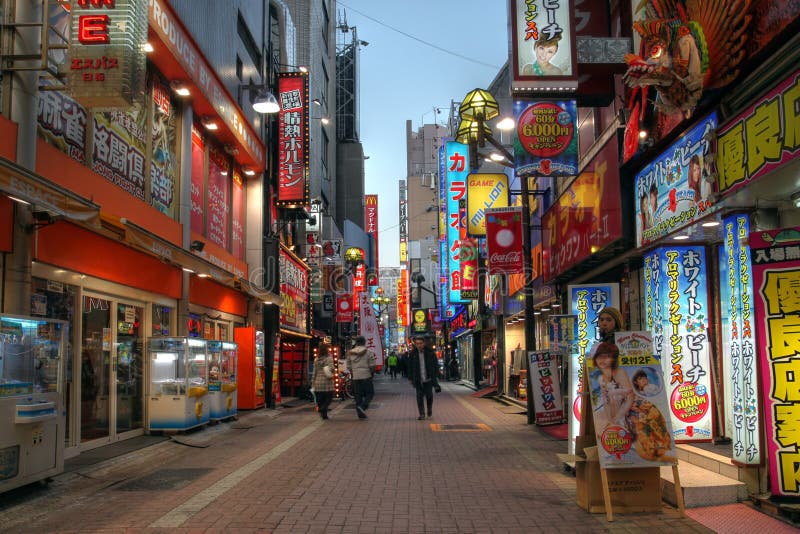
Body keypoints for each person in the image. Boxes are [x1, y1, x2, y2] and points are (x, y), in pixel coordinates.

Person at [591, 341, 634, 431]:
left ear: (613, 359)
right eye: (600, 357)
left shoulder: (619, 373)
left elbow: (630, 398)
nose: (602, 360)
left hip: (626, 415)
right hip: (609, 416)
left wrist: (616, 419)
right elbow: (603, 402)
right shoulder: (599, 377)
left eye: (607, 357)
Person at [408, 335, 441, 420]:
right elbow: (410, 367)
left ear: (424, 343)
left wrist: (436, 375)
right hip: (418, 379)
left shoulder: (430, 353)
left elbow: (435, 365)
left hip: (428, 379)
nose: (419, 345)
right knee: (419, 397)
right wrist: (410, 378)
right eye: (417, 343)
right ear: (415, 344)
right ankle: (422, 414)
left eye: (420, 343)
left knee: (429, 396)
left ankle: (429, 409)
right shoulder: (412, 354)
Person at [345, 336, 375, 420]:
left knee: (358, 396)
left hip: (355, 377)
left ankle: (360, 414)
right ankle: (363, 406)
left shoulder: (350, 353)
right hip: (366, 376)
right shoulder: (368, 352)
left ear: (356, 343)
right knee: (370, 393)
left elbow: (348, 366)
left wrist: (353, 371)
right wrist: (371, 372)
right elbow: (372, 365)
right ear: (364, 342)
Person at [311, 344, 335, 420]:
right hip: (327, 382)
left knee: (320, 400)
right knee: (329, 398)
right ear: (326, 350)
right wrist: (333, 370)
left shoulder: (316, 359)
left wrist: (313, 383)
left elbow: (314, 372)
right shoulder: (329, 358)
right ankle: (323, 409)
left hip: (318, 382)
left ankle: (324, 415)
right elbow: (331, 368)